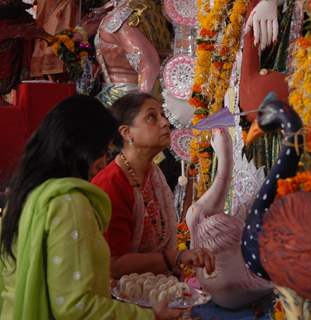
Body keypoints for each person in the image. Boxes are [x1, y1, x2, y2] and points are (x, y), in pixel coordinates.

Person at [0, 95, 183, 319]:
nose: (104, 160)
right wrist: (148, 316)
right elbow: (75, 307)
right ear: (82, 147)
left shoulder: (26, 194)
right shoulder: (68, 203)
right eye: (103, 150)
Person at [92, 93, 215, 279]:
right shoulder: (111, 184)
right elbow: (113, 264)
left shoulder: (153, 173)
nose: (165, 123)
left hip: (156, 286)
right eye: (151, 117)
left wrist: (178, 258)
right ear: (126, 133)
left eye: (163, 115)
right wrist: (174, 258)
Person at [94, 0, 171, 107]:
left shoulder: (120, 19)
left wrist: (141, 107)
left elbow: (149, 64)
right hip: (142, 95)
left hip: (124, 102)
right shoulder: (148, 14)